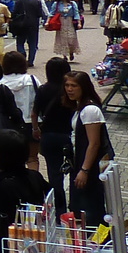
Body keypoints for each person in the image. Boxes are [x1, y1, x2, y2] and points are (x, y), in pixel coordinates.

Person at [66, 70, 112, 226]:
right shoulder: (81, 107)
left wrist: (84, 170)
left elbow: (94, 143)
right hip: (83, 162)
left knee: (91, 206)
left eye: (74, 86)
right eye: (67, 85)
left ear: (83, 87)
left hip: (90, 167)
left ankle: (97, 238)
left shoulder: (90, 110)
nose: (69, 89)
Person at [34, 58, 74, 214]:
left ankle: (59, 210)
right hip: (68, 135)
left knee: (54, 175)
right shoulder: (69, 89)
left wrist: (36, 129)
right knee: (75, 171)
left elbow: (34, 112)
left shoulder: (43, 89)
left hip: (49, 136)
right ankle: (76, 207)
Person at [0, 51, 39, 167]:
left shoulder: (1, 83)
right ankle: (33, 182)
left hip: (10, 124)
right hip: (30, 122)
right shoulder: (32, 80)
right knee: (32, 158)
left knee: (12, 158)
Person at [10, 0, 46, 68]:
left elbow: (14, 11)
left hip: (20, 24)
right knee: (33, 44)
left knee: (20, 42)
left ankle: (22, 54)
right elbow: (39, 13)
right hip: (33, 24)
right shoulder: (37, 0)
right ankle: (30, 61)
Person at [49, 0, 82, 64]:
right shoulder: (56, 4)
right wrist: (48, 22)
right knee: (62, 39)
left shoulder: (72, 3)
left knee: (71, 38)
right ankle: (65, 55)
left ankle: (71, 52)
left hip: (70, 22)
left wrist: (79, 23)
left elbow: (76, 13)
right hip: (61, 23)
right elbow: (51, 13)